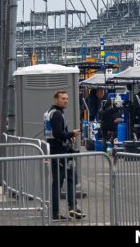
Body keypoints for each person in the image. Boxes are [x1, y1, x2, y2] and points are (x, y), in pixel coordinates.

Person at [45, 90, 84, 220]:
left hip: (56, 151)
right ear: (56, 100)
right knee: (65, 180)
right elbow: (58, 134)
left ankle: (68, 208)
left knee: (65, 180)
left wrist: (68, 136)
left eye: (67, 98)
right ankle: (66, 209)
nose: (66, 101)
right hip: (60, 153)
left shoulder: (50, 113)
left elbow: (55, 133)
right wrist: (72, 134)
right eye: (62, 98)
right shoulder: (56, 114)